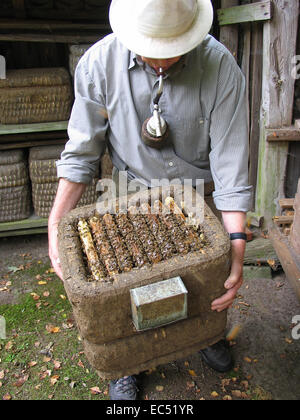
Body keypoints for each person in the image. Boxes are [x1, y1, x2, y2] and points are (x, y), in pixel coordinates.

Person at [48, 0, 252, 400]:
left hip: (195, 203)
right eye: (150, 49)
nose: (160, 60)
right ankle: (129, 361)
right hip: (127, 197)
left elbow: (230, 166)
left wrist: (237, 245)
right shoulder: (97, 66)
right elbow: (81, 155)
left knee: (202, 275)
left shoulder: (221, 68)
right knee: (125, 287)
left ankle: (204, 333)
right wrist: (55, 224)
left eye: (173, 47)